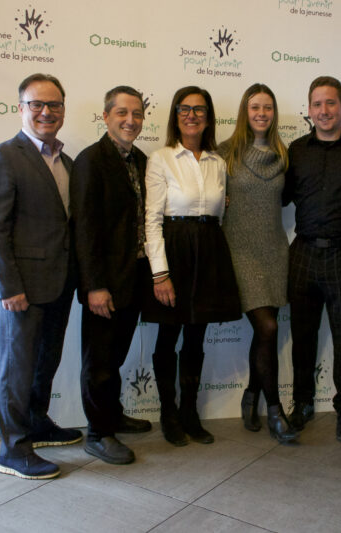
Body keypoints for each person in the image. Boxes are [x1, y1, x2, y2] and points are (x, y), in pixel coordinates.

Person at [0, 73, 81, 480]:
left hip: (59, 283)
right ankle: (13, 450)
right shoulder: (2, 156)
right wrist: (10, 287)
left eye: (54, 104)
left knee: (45, 363)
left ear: (63, 109)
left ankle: (38, 423)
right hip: (21, 289)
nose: (46, 112)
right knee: (17, 369)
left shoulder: (65, 161)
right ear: (21, 108)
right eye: (36, 104)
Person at [144, 86, 241, 446]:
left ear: (208, 117)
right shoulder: (161, 158)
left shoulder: (219, 162)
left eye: (199, 109)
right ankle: (168, 412)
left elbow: (220, 209)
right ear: (175, 115)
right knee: (168, 333)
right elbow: (152, 220)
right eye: (184, 109)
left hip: (209, 249)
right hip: (174, 250)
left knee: (196, 336)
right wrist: (160, 273)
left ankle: (190, 411)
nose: (192, 115)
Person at [283, 76, 341, 443]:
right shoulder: (296, 149)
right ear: (309, 110)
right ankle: (302, 404)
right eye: (317, 104)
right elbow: (280, 199)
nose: (324, 111)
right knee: (302, 337)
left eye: (331, 103)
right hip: (303, 253)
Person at [70, 86, 153, 465]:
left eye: (136, 114)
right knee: (99, 360)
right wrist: (94, 286)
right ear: (106, 117)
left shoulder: (140, 159)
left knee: (115, 357)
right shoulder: (90, 160)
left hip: (133, 276)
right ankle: (98, 433)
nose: (130, 120)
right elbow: (84, 228)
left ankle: (113, 415)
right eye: (121, 113)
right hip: (105, 282)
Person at [219, 83, 297, 443]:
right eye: (255, 107)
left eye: (268, 107)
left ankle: (251, 393)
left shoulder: (284, 154)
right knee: (267, 328)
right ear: (244, 112)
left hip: (274, 251)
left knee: (266, 330)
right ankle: (275, 410)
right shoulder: (226, 153)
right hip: (240, 251)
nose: (262, 113)